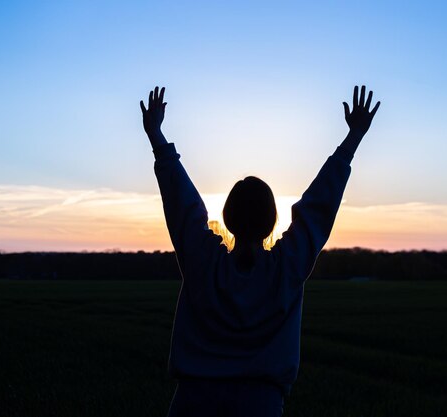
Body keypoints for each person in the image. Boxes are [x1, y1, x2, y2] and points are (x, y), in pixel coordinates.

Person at [140, 85, 380, 417]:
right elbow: (317, 210)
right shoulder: (286, 268)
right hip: (261, 404)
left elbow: (181, 202)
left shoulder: (203, 261)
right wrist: (353, 138)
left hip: (193, 402)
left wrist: (156, 135)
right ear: (271, 223)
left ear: (227, 218)